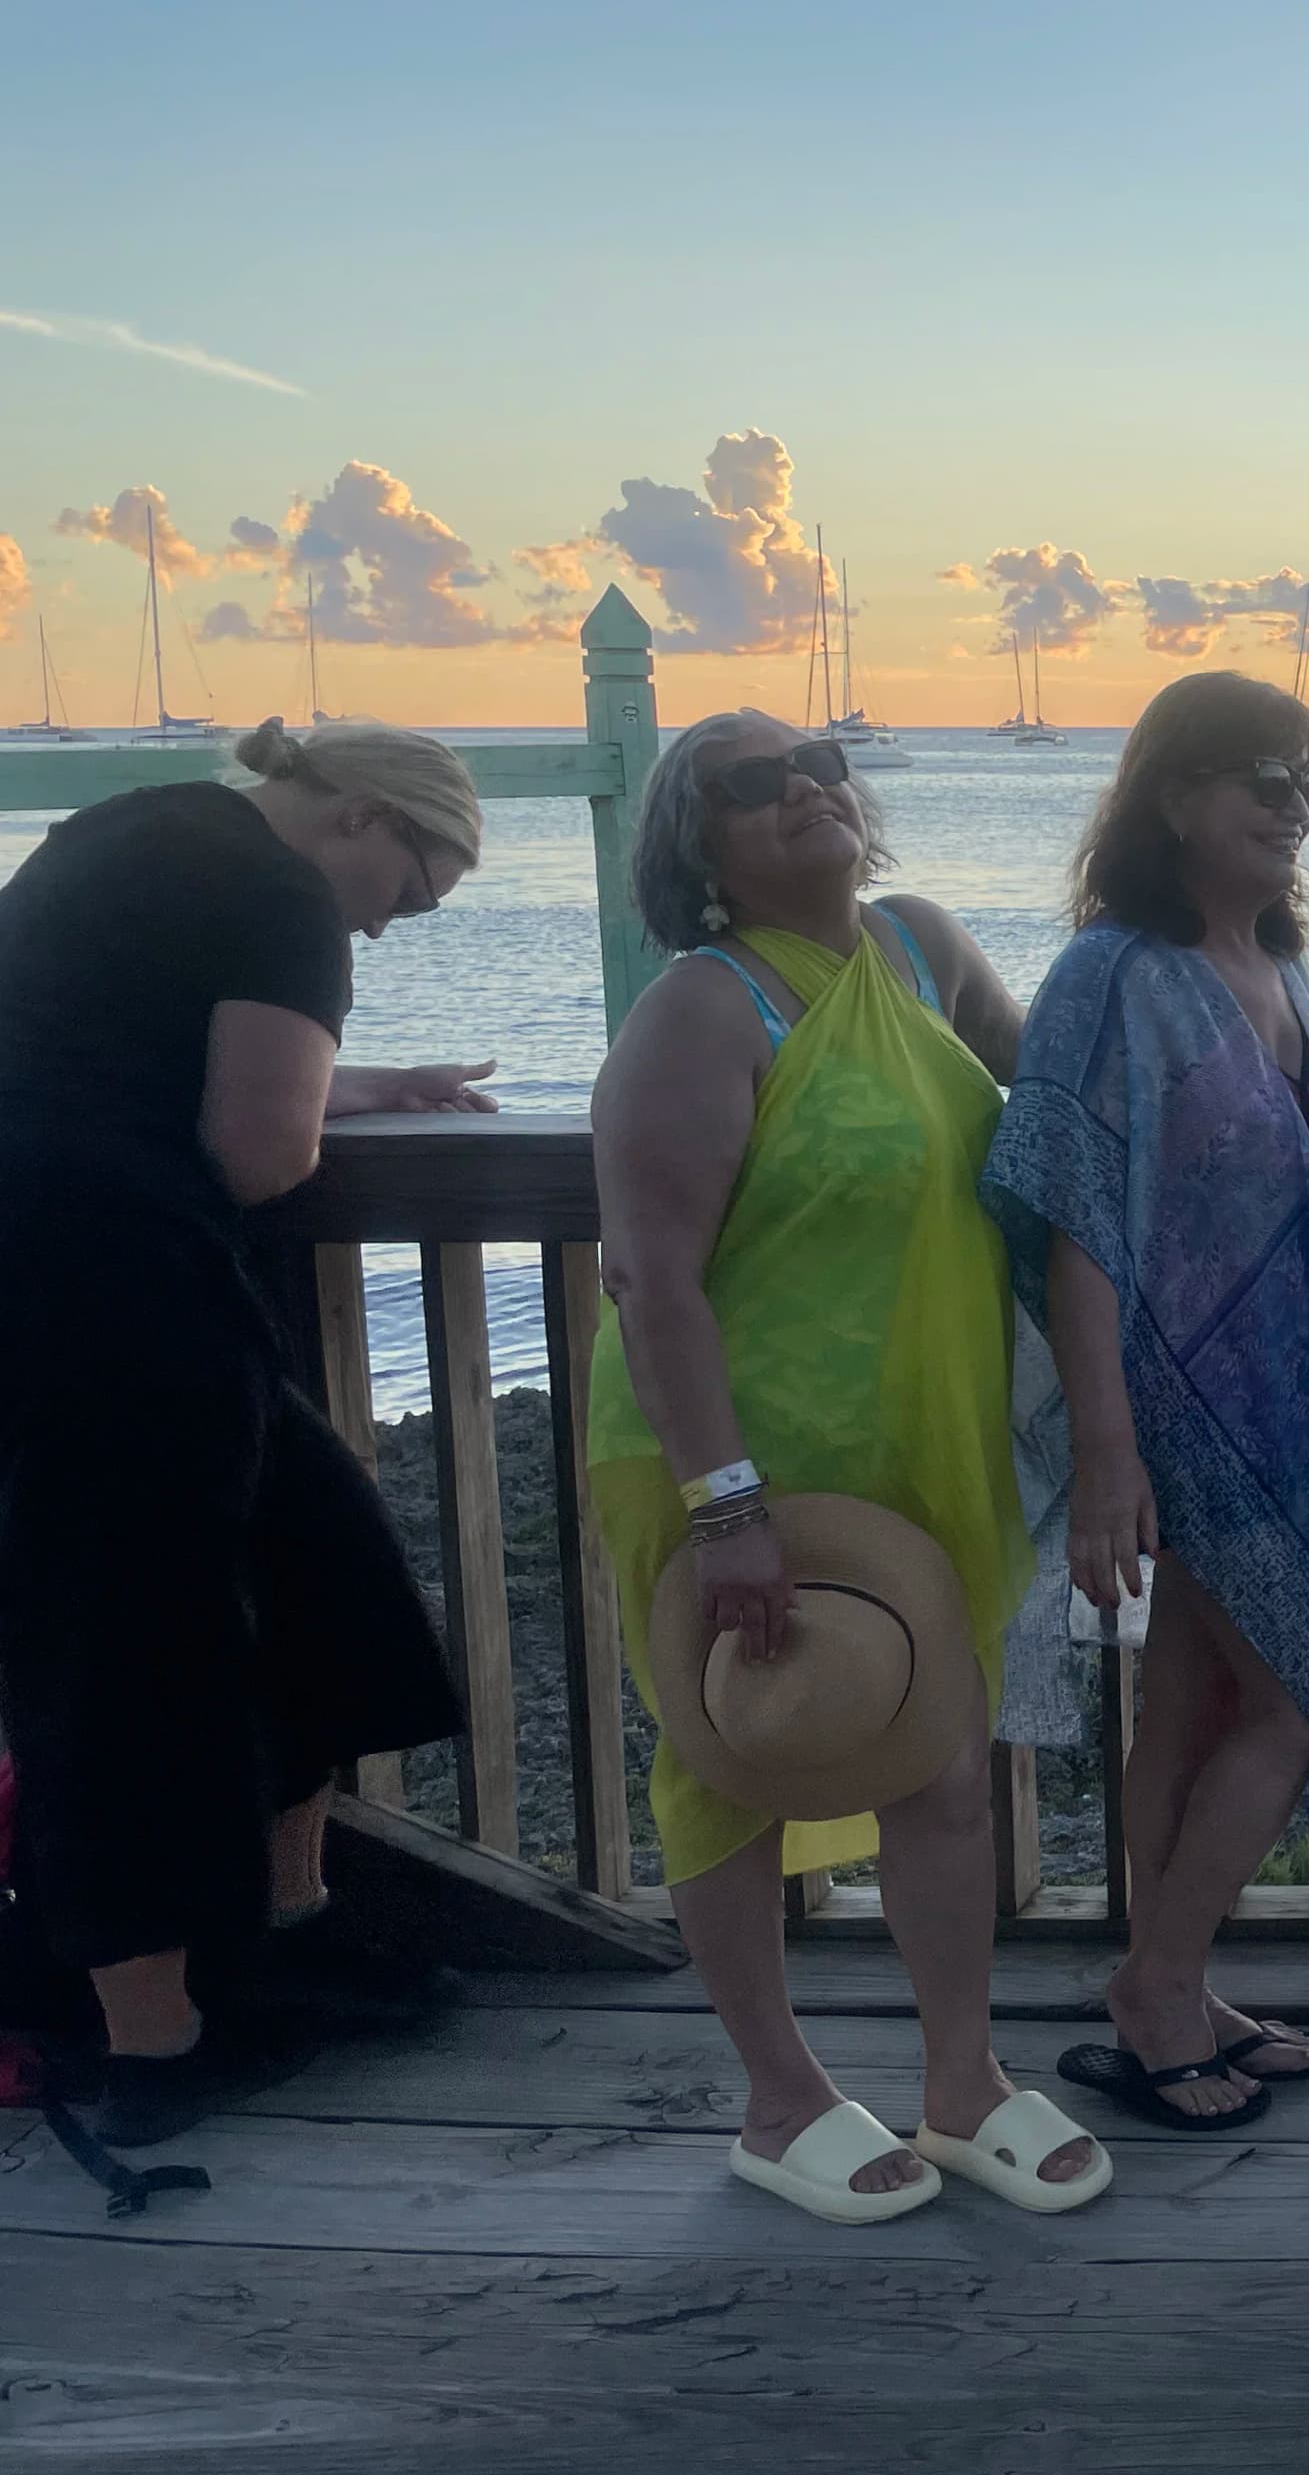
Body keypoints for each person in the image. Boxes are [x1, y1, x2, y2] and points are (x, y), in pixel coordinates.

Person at [587, 711, 1106, 2220]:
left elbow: (1060, 1096)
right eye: (754, 783)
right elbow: (651, 1279)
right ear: (699, 845)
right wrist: (725, 1506)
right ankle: (778, 2096)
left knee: (938, 1760)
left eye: (819, 761)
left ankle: (962, 2082)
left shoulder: (919, 948)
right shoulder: (700, 1005)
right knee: (728, 1758)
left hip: (914, 1436)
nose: (805, 786)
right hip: (728, 1452)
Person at [0, 720, 490, 2147]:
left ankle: (288, 1921)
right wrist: (311, 1101)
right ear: (358, 824)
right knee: (125, 1655)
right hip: (117, 1293)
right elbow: (261, 1152)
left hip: (52, 1274)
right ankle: (159, 2043)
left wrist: (361, 1081)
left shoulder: (129, 832)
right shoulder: (279, 894)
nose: (385, 927)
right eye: (407, 896)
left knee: (325, 1557)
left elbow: (117, 1038)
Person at [983, 671, 1309, 2130]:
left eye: (1305, 783)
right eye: (1257, 781)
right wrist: (1105, 1447)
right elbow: (1075, 1213)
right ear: (1171, 800)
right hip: (1176, 1403)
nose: (1290, 806)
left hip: (1301, 1404)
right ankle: (1158, 1990)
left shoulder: (1283, 966)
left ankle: (1174, 1973)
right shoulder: (1114, 974)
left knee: (1199, 1695)